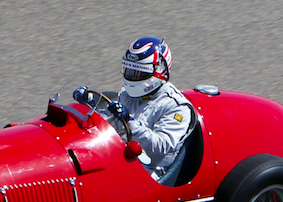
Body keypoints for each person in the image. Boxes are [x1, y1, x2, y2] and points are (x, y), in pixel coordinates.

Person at [75, 36, 194, 181]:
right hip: (120, 155)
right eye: (129, 71)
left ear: (160, 71)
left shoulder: (177, 108)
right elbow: (108, 124)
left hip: (151, 172)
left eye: (138, 73)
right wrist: (90, 104)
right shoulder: (127, 94)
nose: (132, 77)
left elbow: (160, 146)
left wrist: (129, 122)